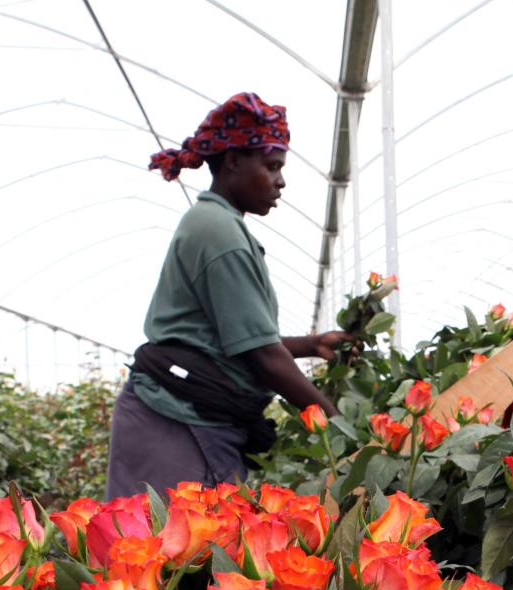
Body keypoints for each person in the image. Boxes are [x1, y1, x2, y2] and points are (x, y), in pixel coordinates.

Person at [106, 92, 352, 498]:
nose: (281, 180)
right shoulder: (219, 232)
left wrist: (311, 345)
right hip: (177, 422)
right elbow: (264, 358)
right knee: (168, 549)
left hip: (184, 417)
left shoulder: (217, 223)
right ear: (235, 161)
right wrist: (339, 426)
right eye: (272, 166)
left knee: (182, 549)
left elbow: (228, 342)